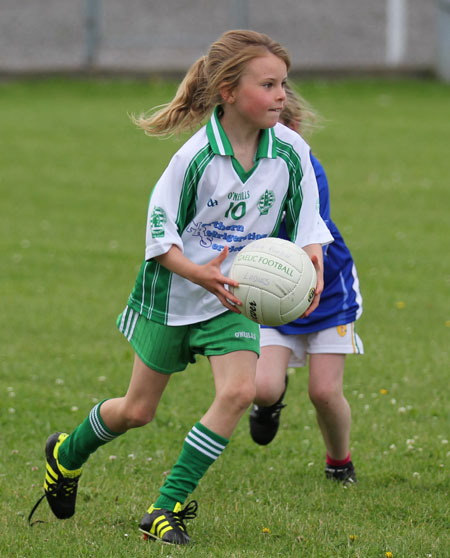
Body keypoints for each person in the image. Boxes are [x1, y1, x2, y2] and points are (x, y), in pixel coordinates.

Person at [28, 30, 333, 544]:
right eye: (268, 84)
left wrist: (312, 263)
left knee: (238, 391)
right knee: (137, 411)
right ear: (228, 91)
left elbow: (306, 223)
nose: (282, 95)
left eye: (284, 83)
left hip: (235, 297)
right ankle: (66, 454)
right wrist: (199, 274)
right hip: (173, 294)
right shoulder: (193, 159)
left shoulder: (291, 152)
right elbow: (158, 238)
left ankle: (163, 508)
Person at [249, 86, 363, 485]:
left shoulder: (308, 169)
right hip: (268, 286)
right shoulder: (241, 171)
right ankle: (268, 405)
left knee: (324, 393)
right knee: (262, 387)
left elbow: (309, 230)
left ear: (294, 129)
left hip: (326, 288)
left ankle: (339, 460)